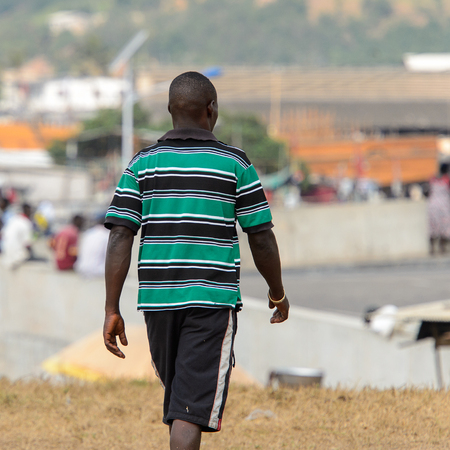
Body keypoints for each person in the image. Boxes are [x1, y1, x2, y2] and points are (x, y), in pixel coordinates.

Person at [103, 71, 289, 450]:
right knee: (188, 409)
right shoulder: (234, 163)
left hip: (156, 302)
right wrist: (277, 291)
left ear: (171, 110)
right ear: (212, 110)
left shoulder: (141, 164)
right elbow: (261, 236)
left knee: (180, 400)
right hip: (210, 303)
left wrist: (111, 308)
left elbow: (121, 234)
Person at [1, 203, 34, 269]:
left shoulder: (13, 219)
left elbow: (3, 234)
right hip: (16, 256)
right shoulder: (26, 222)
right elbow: (27, 244)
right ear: (28, 211)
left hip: (5, 252)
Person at [428, 162, 450, 254]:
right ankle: (442, 248)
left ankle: (432, 248)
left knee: (433, 226)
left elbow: (428, 191)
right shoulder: (447, 180)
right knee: (443, 226)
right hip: (443, 205)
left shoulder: (433, 179)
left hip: (432, 205)